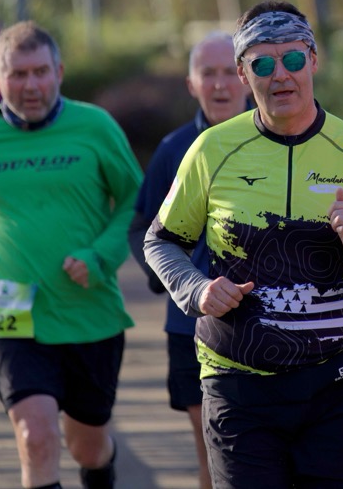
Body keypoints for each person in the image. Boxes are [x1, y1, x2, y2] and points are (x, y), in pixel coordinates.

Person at [144, 0, 343, 489]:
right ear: (243, 73)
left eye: (293, 59)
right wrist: (196, 290)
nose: (281, 75)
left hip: (335, 387)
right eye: (263, 64)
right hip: (238, 386)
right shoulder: (212, 150)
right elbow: (161, 241)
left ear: (313, 61)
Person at [0, 21, 143, 489]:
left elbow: (136, 200)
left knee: (88, 447)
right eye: (18, 74)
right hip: (11, 308)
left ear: (59, 72)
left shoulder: (95, 127)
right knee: (35, 437)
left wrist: (101, 257)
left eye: (40, 72)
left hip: (89, 311)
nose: (31, 86)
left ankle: (100, 468)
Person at [126, 30, 252, 489]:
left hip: (269, 324)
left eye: (228, 73)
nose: (219, 84)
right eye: (207, 73)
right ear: (191, 84)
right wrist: (170, 279)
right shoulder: (174, 149)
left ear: (245, 77)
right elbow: (142, 228)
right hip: (190, 328)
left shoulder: (280, 141)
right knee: (216, 459)